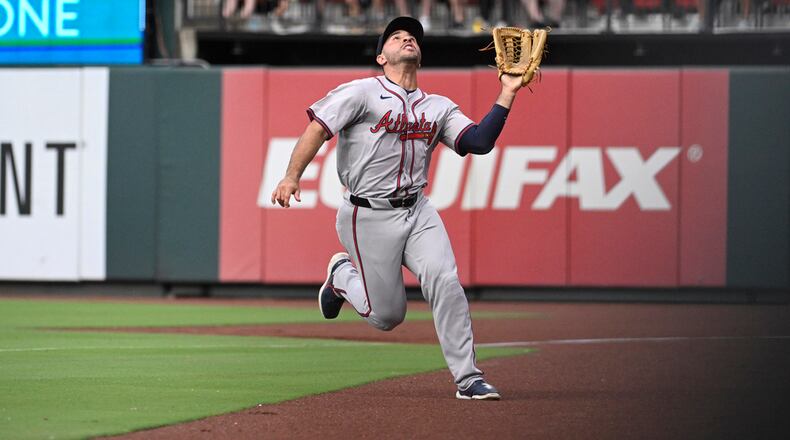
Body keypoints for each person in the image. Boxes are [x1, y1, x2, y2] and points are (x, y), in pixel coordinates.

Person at [271, 16, 527, 400]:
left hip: (417, 209)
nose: (407, 38)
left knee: (445, 280)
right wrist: (292, 176)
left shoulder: (438, 107)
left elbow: (478, 141)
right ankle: (342, 274)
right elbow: (317, 128)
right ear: (381, 57)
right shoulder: (360, 92)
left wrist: (507, 91)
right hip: (366, 213)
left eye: (412, 37)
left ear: (420, 57)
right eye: (396, 36)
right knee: (387, 316)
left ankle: (468, 378)